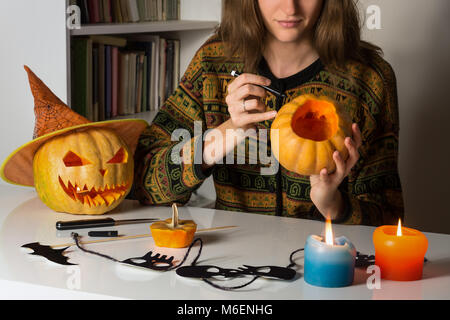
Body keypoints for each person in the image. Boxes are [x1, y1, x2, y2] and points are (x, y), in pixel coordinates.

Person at [130, 0, 404, 226]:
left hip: (326, 273)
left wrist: (333, 203)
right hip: (231, 269)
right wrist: (221, 137)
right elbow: (143, 182)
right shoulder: (213, 62)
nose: (290, 7)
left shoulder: (371, 78)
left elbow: (390, 220)